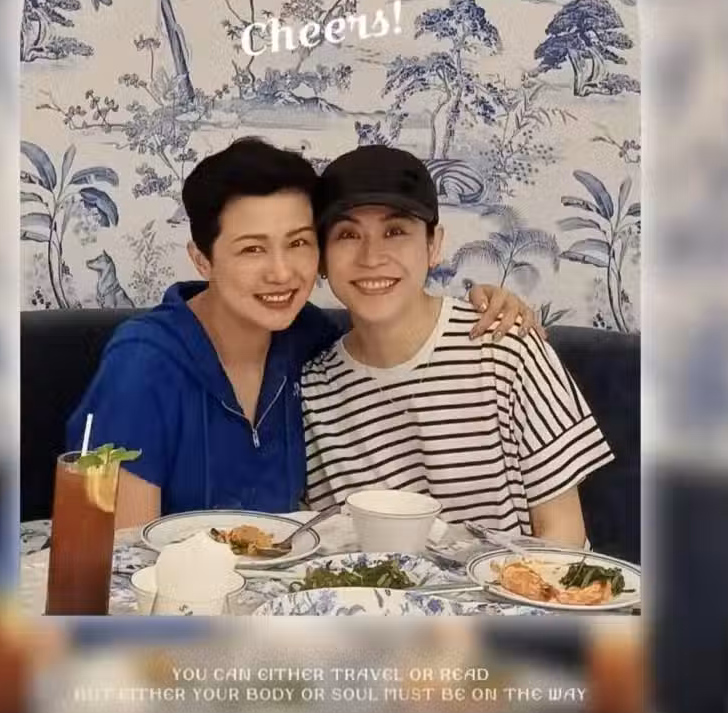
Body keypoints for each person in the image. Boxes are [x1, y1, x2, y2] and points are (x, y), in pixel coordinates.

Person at [67, 139, 541, 528]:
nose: (282, 272)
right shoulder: (140, 365)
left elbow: (392, 331)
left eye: (298, 243)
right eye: (252, 249)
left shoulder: (309, 341)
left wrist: (491, 302)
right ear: (202, 259)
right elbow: (115, 560)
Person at [301, 144, 615, 547]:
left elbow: (563, 534)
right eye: (347, 235)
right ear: (321, 259)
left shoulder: (505, 347)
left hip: (523, 582)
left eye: (395, 232)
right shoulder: (313, 389)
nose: (372, 257)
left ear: (433, 245)